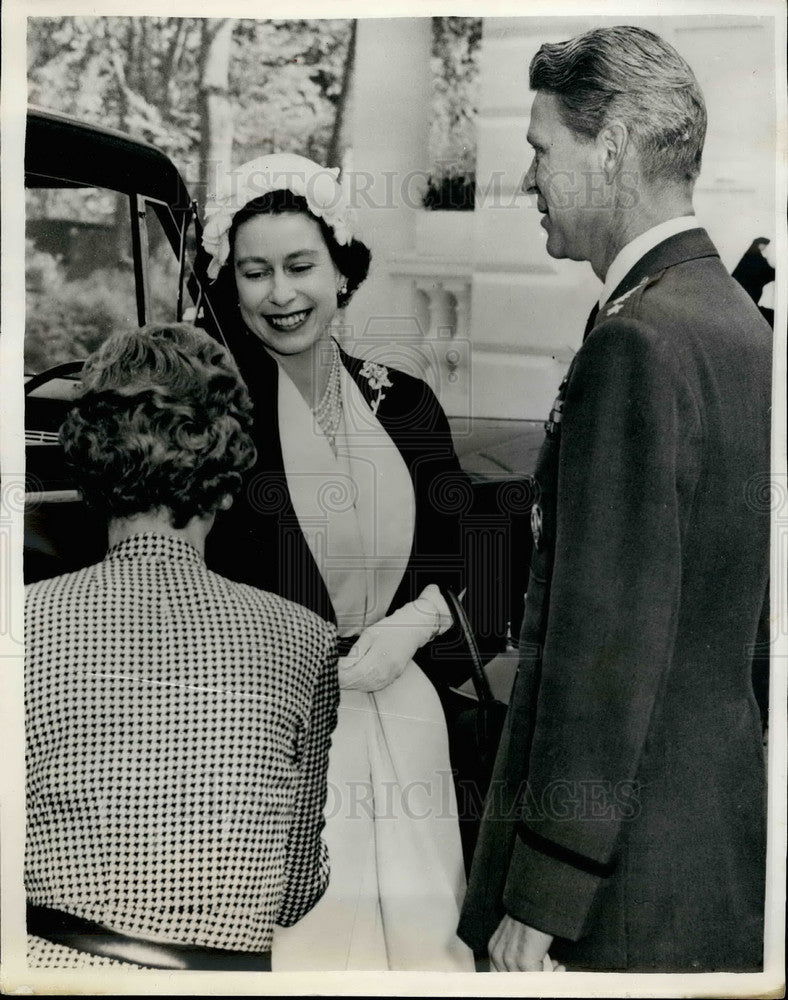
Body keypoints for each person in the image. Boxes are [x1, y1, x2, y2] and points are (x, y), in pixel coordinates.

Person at [458, 25, 771, 973]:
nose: (529, 182)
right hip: (701, 851)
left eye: (541, 150)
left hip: (617, 890)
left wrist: (546, 889)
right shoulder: (730, 324)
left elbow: (609, 647)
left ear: (618, 144)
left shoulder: (638, 344)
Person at [201, 154, 476, 971]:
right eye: (255, 273)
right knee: (309, 947)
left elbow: (466, 549)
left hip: (402, 706)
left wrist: (417, 624)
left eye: (299, 266)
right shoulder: (215, 417)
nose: (280, 294)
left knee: (425, 935)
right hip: (268, 728)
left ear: (342, 273)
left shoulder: (407, 403)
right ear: (231, 284)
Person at [25, 323, 339, 970]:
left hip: (55, 973)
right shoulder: (307, 640)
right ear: (227, 482)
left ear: (87, 472)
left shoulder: (23, 624)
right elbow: (294, 891)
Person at [732, 237, 775, 327]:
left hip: (743, 292)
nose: (765, 247)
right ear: (759, 244)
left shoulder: (751, 255)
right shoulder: (755, 257)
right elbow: (766, 271)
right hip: (747, 291)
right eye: (764, 245)